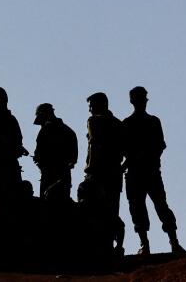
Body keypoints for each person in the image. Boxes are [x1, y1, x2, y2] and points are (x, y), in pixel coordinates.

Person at [122, 86, 184, 255]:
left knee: (158, 206)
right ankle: (147, 244)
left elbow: (159, 146)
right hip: (139, 172)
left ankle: (172, 241)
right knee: (139, 208)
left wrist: (144, 158)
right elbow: (124, 149)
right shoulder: (128, 124)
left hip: (148, 171)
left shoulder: (150, 122)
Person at [85, 92, 125, 255]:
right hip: (115, 173)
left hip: (98, 173)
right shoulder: (118, 124)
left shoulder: (93, 121)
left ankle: (99, 247)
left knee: (94, 210)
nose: (89, 109)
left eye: (91, 105)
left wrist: (89, 171)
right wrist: (121, 168)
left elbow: (94, 145)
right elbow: (126, 149)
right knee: (112, 210)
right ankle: (112, 246)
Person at [32, 103, 78, 198]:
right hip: (64, 178)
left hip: (48, 177)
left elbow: (39, 155)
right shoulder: (69, 132)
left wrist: (39, 161)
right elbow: (73, 159)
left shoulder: (45, 131)